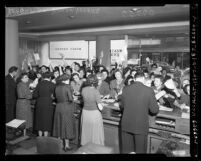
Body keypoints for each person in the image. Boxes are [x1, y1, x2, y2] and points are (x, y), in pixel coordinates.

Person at [120, 71, 159, 153]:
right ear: (144, 79)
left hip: (126, 124)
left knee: (127, 151)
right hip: (140, 126)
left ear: (134, 79)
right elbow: (154, 110)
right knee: (140, 151)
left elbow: (122, 106)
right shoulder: (149, 90)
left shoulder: (125, 89)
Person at [52, 74, 75, 151]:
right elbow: (70, 99)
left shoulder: (57, 87)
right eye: (68, 79)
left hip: (58, 107)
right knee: (66, 126)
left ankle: (60, 145)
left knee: (59, 125)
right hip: (66, 107)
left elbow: (55, 98)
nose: (69, 81)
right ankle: (67, 146)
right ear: (65, 80)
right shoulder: (67, 87)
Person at [80, 74, 104, 146]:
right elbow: (100, 107)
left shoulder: (83, 89)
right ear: (96, 81)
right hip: (94, 114)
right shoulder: (96, 91)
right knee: (95, 132)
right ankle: (95, 147)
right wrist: (102, 104)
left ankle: (86, 147)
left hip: (85, 113)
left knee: (86, 131)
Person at [33, 72, 55, 137]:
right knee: (47, 120)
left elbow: (34, 95)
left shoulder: (39, 84)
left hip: (39, 103)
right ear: (50, 77)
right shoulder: (52, 84)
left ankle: (40, 137)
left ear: (43, 77)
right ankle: (45, 137)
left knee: (39, 119)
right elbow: (55, 96)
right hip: (48, 103)